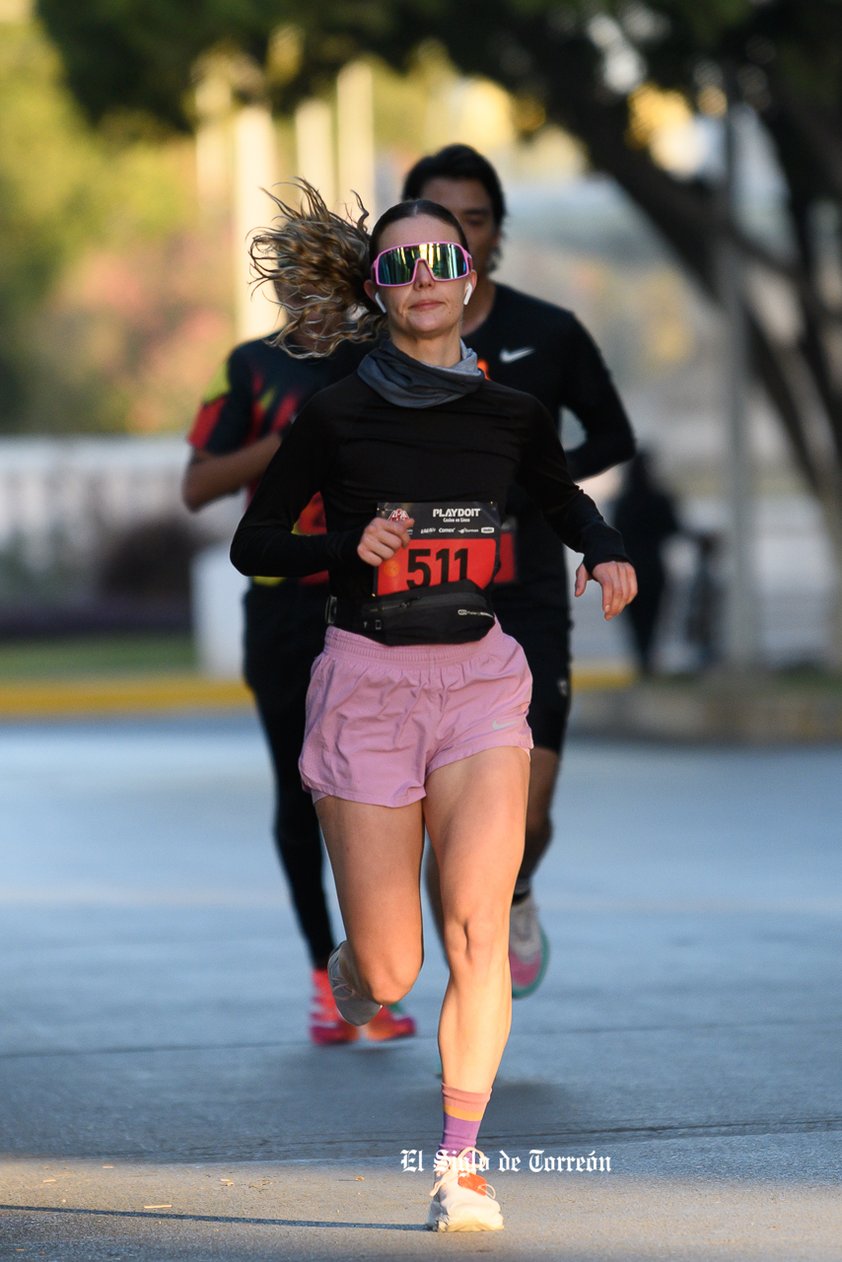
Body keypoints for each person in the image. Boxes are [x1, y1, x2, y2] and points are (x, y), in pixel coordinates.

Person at [229, 181, 637, 1231]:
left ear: (468, 279)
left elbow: (559, 496)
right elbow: (254, 542)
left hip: (478, 684)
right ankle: (352, 969)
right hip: (366, 683)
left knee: (470, 930)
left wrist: (603, 549)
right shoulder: (335, 411)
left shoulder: (510, 411)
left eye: (440, 262)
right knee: (391, 966)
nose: (423, 280)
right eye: (400, 264)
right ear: (380, 285)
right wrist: (339, 548)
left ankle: (461, 1163)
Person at [402, 145, 636, 996]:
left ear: (496, 234)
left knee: (524, 816)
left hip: (527, 598)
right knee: (452, 824)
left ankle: (521, 887)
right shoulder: (382, 345)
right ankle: (470, 995)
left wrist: (540, 473)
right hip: (418, 606)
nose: (459, 235)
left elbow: (615, 436)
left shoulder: (548, 332)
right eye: (441, 219)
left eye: (476, 218)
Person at [181, 321, 417, 1047]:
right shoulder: (251, 367)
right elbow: (197, 486)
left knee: (386, 793)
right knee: (303, 794)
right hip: (285, 607)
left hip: (376, 598)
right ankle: (329, 977)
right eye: (289, 268)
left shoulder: (387, 359)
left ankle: (378, 965)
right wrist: (290, 438)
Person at [612, 450, 682, 675]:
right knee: (652, 620)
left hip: (627, 571)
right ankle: (647, 661)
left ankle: (642, 660)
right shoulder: (660, 499)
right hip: (653, 568)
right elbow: (674, 529)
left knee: (636, 623)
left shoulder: (621, 502)